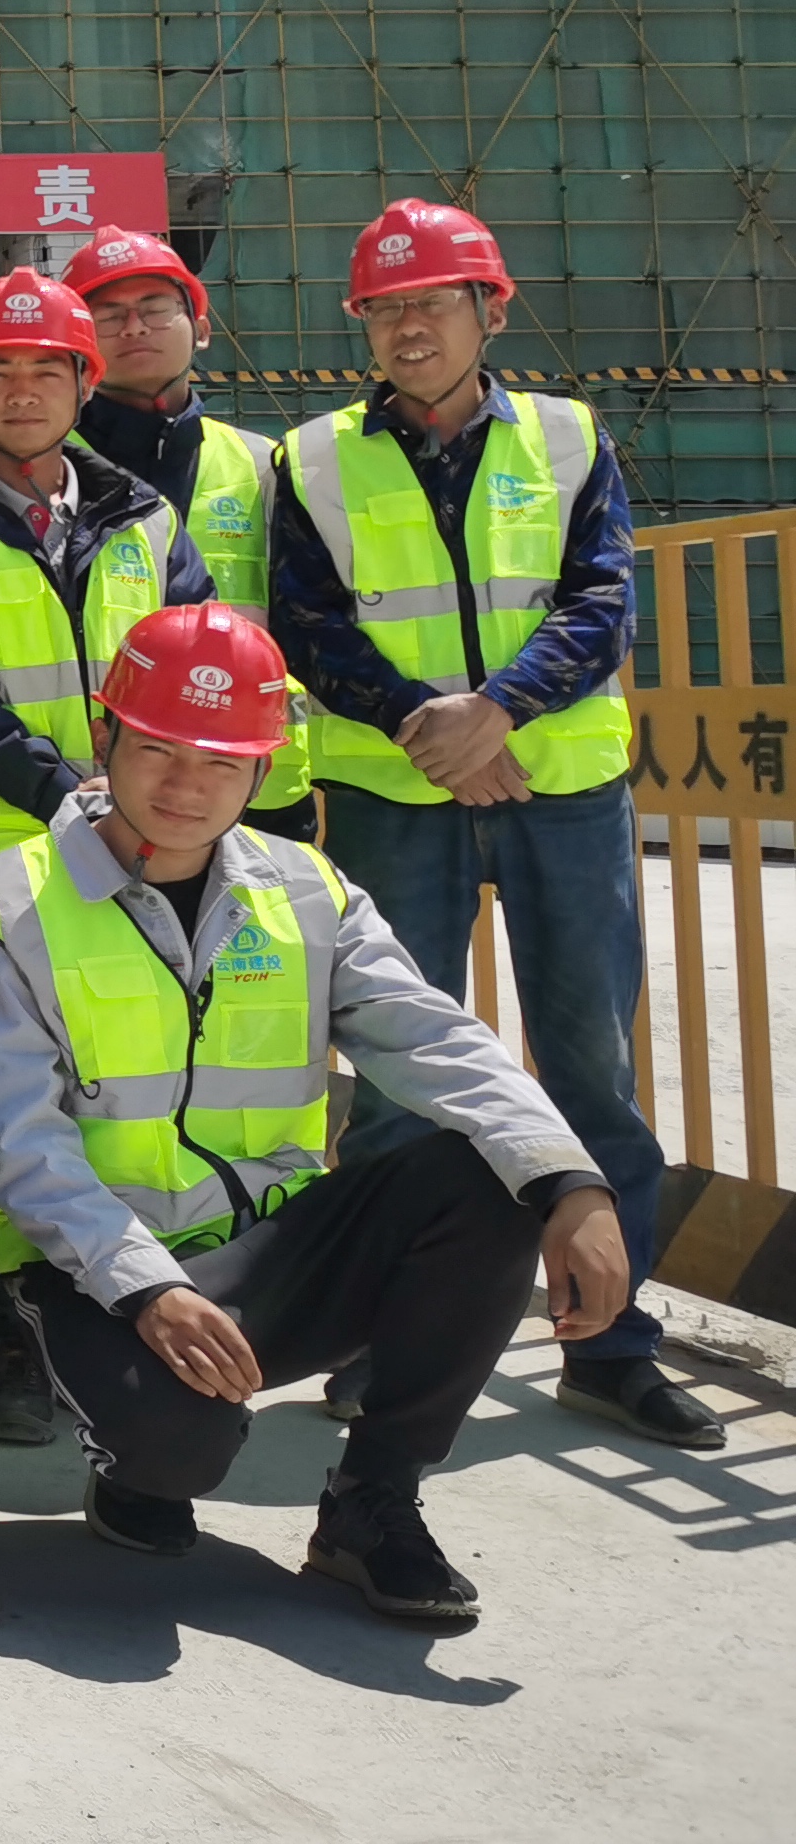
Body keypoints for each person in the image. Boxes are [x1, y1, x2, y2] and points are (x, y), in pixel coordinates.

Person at [0, 604, 638, 1621]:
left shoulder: (307, 891)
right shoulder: (4, 904)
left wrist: (570, 1181)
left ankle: (374, 1500)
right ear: (104, 736)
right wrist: (147, 1291)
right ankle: (139, 1473)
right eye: (159, 749)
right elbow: (22, 1147)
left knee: (493, 1174)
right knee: (177, 1446)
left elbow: (436, 1039)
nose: (187, 787)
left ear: (263, 769)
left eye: (223, 762)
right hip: (95, 1269)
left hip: (272, 1250)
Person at [269, 200, 717, 1452]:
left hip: (558, 793)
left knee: (591, 1069)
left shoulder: (569, 439)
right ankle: (379, 1338)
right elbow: (307, 623)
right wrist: (430, 727)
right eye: (385, 309)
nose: (408, 327)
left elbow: (601, 600)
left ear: (490, 310)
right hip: (393, 798)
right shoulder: (312, 459)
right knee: (394, 1081)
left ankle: (610, 1347)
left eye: (432, 302)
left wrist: (497, 713)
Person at [0, 268, 206, 916]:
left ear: (86, 384)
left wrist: (134, 801)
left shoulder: (147, 520)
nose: (22, 393)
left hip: (135, 842)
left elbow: (193, 667)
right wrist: (63, 795)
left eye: (48, 372)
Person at [65, 225, 313, 838]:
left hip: (254, 778)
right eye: (108, 314)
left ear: (200, 328)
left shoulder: (263, 465)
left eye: (155, 308)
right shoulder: (46, 471)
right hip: (100, 784)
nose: (134, 328)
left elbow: (312, 623)